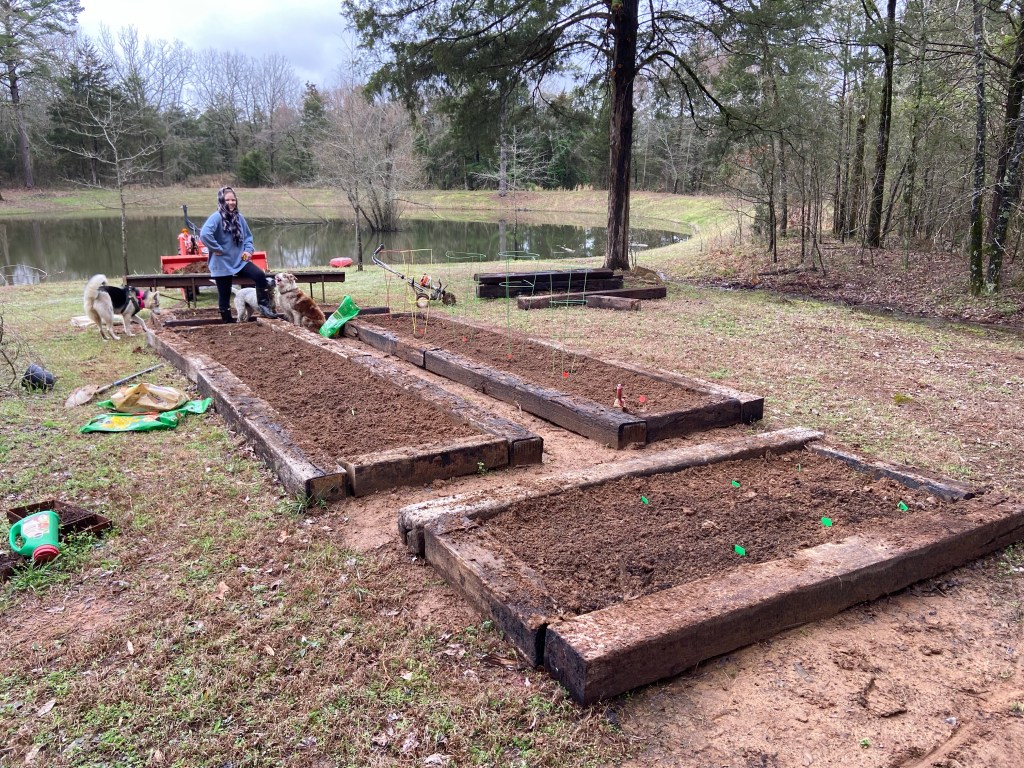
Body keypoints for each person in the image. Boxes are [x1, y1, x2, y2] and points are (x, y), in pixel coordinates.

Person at [199, 186, 279, 323]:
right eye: (227, 200)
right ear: (221, 201)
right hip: (221, 262)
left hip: (239, 260)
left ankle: (264, 307)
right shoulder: (216, 217)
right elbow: (205, 234)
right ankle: (227, 321)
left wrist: (248, 250)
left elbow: (248, 237)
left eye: (233, 200)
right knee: (224, 293)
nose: (231, 203)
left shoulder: (239, 218)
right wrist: (216, 248)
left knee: (259, 275)